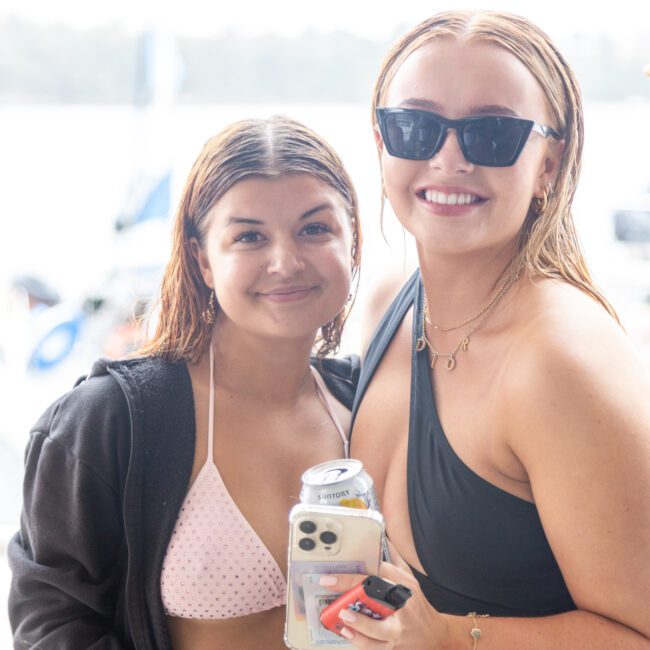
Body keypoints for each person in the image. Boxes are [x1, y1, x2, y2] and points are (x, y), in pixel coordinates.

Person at [325, 10, 650, 648]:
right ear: (382, 140)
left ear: (549, 163)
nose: (448, 159)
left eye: (492, 134)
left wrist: (448, 638)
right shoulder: (393, 303)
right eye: (415, 127)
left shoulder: (558, 362)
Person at [8, 115, 362, 650]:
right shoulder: (109, 421)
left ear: (352, 241)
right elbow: (51, 624)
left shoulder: (370, 401)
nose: (285, 261)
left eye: (315, 228)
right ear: (202, 259)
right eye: (248, 236)